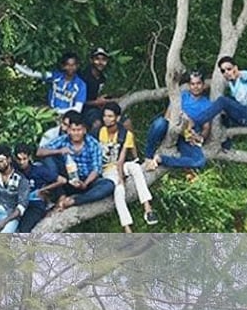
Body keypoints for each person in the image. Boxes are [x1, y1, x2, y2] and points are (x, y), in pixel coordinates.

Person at [143, 70, 247, 170]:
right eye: (193, 84)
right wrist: (182, 120)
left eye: (198, 83)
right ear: (189, 85)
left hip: (188, 136)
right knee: (160, 123)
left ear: (203, 85)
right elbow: (168, 115)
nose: (196, 86)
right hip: (173, 127)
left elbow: (206, 128)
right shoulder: (182, 96)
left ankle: (161, 159)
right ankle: (148, 157)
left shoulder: (208, 104)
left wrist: (199, 137)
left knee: (199, 161)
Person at [98, 103, 158, 231]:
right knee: (119, 191)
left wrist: (121, 176)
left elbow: (121, 159)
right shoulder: (99, 132)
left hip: (119, 165)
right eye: (105, 116)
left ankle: (148, 208)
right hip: (106, 170)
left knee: (135, 167)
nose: (106, 119)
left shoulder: (125, 134)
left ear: (117, 118)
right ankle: (127, 228)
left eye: (110, 116)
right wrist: (120, 180)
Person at [37, 117, 115, 211]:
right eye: (73, 130)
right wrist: (59, 151)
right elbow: (39, 152)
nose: (76, 133)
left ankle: (74, 201)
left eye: (79, 130)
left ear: (84, 130)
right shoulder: (63, 140)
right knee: (48, 157)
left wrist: (85, 184)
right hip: (66, 180)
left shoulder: (93, 144)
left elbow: (96, 169)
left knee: (108, 185)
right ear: (69, 130)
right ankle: (61, 196)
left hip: (86, 180)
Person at [7, 52, 86, 115]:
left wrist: (56, 112)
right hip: (49, 114)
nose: (71, 68)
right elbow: (32, 73)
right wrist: (14, 65)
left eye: (73, 65)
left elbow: (77, 109)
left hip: (67, 118)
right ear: (63, 66)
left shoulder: (80, 85)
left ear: (77, 66)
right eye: (68, 65)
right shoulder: (55, 76)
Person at [13, 143, 67, 233]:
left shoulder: (38, 170)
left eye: (24, 159)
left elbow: (62, 180)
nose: (22, 162)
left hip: (35, 204)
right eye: (19, 159)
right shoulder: (14, 170)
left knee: (24, 229)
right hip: (17, 203)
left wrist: (43, 189)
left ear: (29, 157)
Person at [80, 47, 115, 132]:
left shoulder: (102, 78)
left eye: (103, 59)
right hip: (84, 110)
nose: (100, 62)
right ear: (91, 60)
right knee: (97, 123)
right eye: (97, 59)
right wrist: (96, 102)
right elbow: (78, 101)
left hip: (98, 109)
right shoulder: (83, 77)